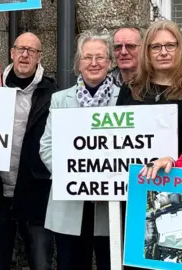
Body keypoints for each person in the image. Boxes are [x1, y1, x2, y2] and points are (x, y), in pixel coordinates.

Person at [39, 30, 117, 270]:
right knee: (71, 264)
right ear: (78, 64)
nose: (94, 63)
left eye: (100, 57)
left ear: (110, 63)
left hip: (109, 203)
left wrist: (104, 183)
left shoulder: (123, 98)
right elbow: (47, 147)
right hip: (70, 201)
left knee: (109, 263)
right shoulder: (61, 99)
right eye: (87, 57)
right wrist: (81, 180)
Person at [116, 19, 182, 270]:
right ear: (147, 52)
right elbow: (116, 140)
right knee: (138, 263)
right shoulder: (130, 91)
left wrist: (173, 160)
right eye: (156, 47)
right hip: (136, 195)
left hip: (177, 193)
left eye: (170, 45)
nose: (163, 52)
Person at [0, 32, 57, 270]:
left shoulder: (52, 93)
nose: (25, 55)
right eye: (20, 49)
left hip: (36, 191)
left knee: (41, 262)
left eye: (32, 51)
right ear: (12, 53)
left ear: (39, 57)